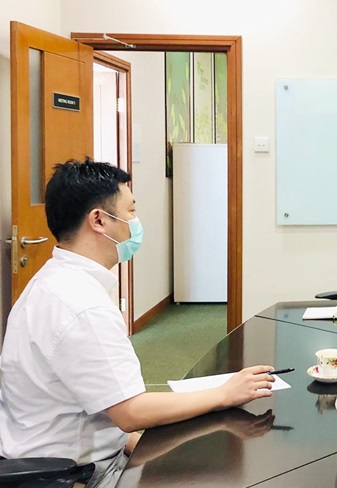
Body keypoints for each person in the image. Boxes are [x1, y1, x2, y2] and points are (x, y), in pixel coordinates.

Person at [0, 158, 275, 487]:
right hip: (77, 472)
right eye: (131, 211)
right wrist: (224, 393)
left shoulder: (54, 281)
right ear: (99, 220)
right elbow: (131, 412)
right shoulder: (82, 305)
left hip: (72, 449)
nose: (135, 222)